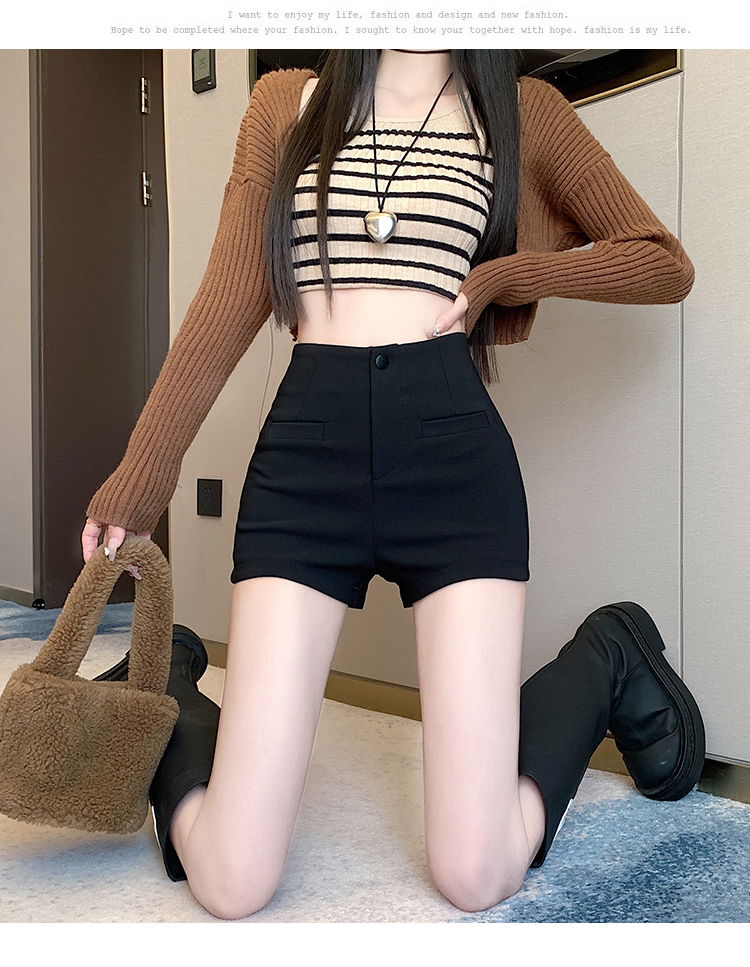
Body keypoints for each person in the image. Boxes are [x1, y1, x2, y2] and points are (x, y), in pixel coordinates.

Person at [82, 49, 704, 920]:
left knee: (477, 873)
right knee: (230, 881)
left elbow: (662, 261)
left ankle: (606, 655)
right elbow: (227, 299)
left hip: (455, 462)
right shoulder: (283, 104)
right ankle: (170, 688)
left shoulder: (524, 110)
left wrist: (508, 275)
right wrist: (140, 477)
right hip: (306, 461)